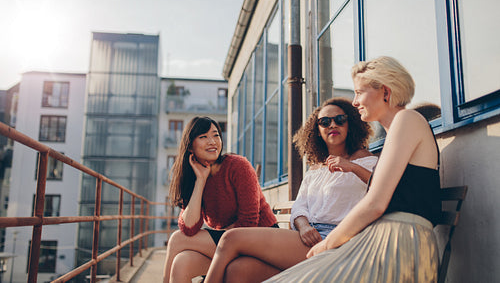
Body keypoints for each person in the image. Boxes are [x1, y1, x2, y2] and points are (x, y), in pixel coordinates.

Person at [264, 56, 442, 282]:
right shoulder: (398, 131)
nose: (355, 102)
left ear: (385, 92)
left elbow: (375, 204)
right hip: (383, 238)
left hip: (399, 241)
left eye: (359, 92)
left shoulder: (407, 119)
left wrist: (327, 244)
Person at [203, 97, 378, 283]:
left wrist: (352, 167)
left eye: (340, 120)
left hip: (337, 240)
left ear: (350, 124)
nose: (332, 125)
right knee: (238, 270)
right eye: (325, 122)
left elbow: (383, 189)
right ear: (317, 131)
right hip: (306, 236)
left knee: (230, 239)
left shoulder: (364, 160)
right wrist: (303, 227)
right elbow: (300, 207)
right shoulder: (315, 169)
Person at [162, 116, 277, 283]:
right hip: (228, 244)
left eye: (216, 135)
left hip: (260, 241)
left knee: (176, 240)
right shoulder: (195, 177)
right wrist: (200, 181)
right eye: (203, 137)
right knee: (182, 262)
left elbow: (249, 222)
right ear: (190, 146)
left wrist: (222, 232)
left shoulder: (237, 166)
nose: (212, 142)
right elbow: (189, 228)